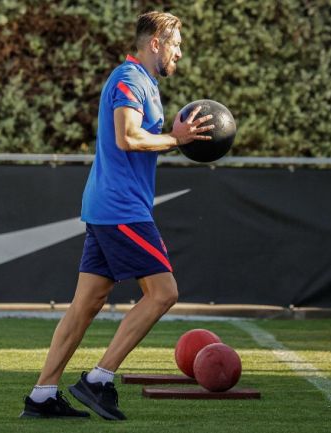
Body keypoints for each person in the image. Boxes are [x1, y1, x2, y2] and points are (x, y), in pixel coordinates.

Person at [19, 11, 214, 420]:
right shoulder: (129, 78)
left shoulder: (148, 84)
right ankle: (99, 379)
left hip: (109, 207)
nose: (180, 52)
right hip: (121, 207)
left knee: (85, 306)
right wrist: (176, 139)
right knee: (163, 292)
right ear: (156, 43)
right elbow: (127, 136)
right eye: (175, 44)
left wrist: (176, 135)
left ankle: (42, 395)